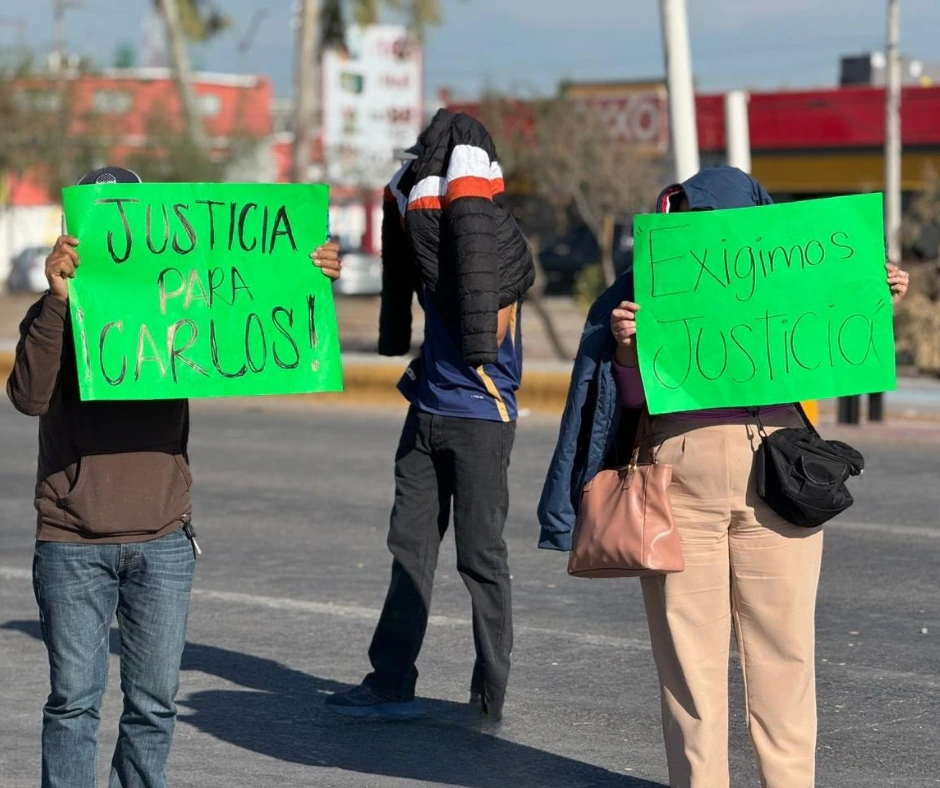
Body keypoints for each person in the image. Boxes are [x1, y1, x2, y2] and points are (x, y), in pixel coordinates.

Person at [538, 165, 909, 788]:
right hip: (686, 478)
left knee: (774, 656)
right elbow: (627, 400)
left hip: (776, 469)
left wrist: (873, 290)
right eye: (690, 221)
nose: (705, 233)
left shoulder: (788, 273)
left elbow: (832, 342)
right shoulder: (647, 284)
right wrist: (625, 347)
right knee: (704, 664)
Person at [7, 165, 343, 788]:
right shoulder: (52, 313)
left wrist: (306, 271)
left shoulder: (177, 299)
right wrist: (56, 302)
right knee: (73, 705)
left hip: (163, 542)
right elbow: (27, 397)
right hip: (71, 545)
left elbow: (246, 293)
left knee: (154, 706)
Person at [326, 109, 535, 722]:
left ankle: (489, 697)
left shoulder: (497, 246)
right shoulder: (426, 239)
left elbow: (491, 331)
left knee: (480, 558)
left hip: (481, 418)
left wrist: (460, 260)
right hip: (425, 414)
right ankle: (390, 682)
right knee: (409, 552)